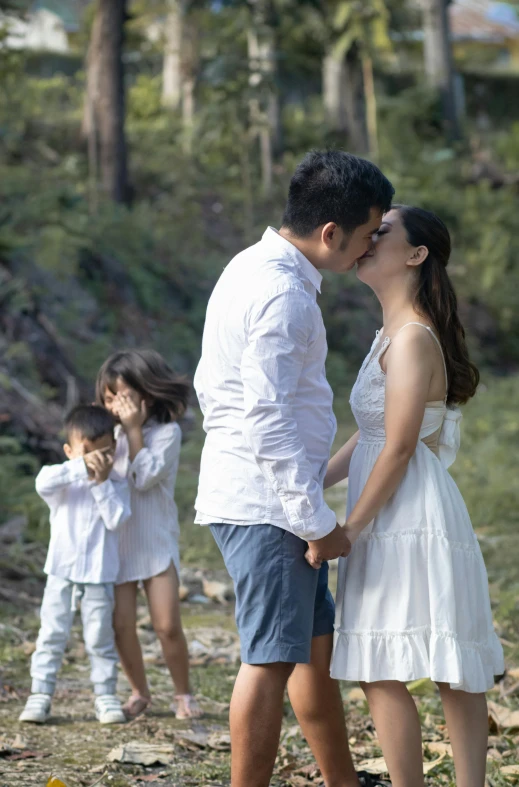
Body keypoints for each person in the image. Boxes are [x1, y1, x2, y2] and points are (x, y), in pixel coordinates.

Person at [194, 150, 395, 787]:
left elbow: (214, 388)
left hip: (267, 496)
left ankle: (343, 780)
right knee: (270, 662)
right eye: (367, 236)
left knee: (312, 655)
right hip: (270, 507)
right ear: (330, 233)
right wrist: (313, 520)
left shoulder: (250, 266)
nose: (369, 250)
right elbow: (267, 418)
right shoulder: (283, 294)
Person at [327, 206, 505, 787]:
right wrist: (313, 481)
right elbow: (372, 434)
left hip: (411, 509)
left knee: (446, 661)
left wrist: (349, 528)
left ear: (415, 255)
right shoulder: (390, 332)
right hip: (385, 501)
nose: (368, 240)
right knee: (380, 662)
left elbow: (400, 447)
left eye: (382, 233)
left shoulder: (412, 338)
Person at [96, 349, 201, 720]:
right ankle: (140, 691)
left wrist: (134, 430)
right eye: (108, 398)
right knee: (120, 623)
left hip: (155, 541)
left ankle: (182, 693)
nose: (114, 406)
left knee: (167, 624)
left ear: (147, 394)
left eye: (121, 397)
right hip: (117, 543)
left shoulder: (166, 435)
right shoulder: (105, 437)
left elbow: (144, 478)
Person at [19, 405, 130, 725]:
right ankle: (40, 694)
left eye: (104, 452)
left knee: (99, 637)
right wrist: (80, 468)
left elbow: (117, 520)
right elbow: (42, 482)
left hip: (99, 575)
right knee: (52, 633)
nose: (97, 459)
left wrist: (101, 483)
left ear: (115, 449)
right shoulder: (62, 481)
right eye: (88, 452)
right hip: (61, 571)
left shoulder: (117, 484)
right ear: (70, 450)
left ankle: (106, 695)